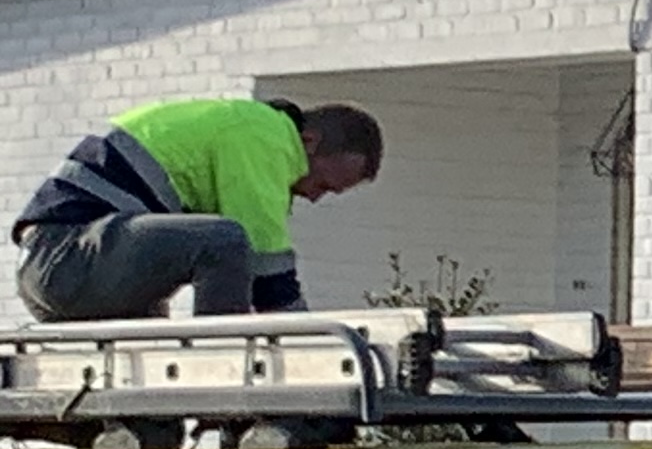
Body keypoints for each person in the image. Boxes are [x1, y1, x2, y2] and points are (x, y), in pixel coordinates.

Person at [13, 97, 384, 324]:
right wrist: (314, 347)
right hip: (65, 257)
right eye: (322, 184)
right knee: (225, 239)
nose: (315, 198)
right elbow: (268, 273)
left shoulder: (242, 127)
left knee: (153, 382)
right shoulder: (264, 137)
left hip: (63, 266)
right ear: (309, 141)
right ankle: (222, 376)